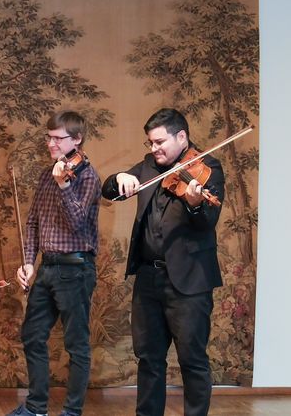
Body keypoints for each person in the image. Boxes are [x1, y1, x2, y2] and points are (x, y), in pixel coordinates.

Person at [101, 108, 224, 416]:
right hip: (148, 279)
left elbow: (208, 221)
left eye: (159, 142)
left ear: (181, 137)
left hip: (189, 282)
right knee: (149, 358)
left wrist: (195, 205)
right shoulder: (147, 167)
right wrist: (119, 178)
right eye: (150, 143)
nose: (154, 148)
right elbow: (110, 191)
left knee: (192, 360)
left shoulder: (209, 167)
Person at [7, 111, 101, 416]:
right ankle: (36, 408)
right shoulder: (47, 174)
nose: (51, 143)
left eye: (58, 138)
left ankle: (72, 412)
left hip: (76, 269)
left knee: (76, 345)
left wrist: (64, 186)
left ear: (77, 139)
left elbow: (77, 223)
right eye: (49, 137)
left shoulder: (88, 176)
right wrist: (29, 263)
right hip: (47, 268)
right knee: (32, 335)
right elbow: (33, 222)